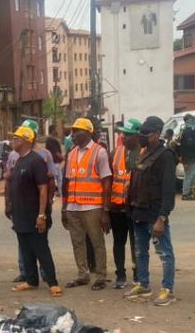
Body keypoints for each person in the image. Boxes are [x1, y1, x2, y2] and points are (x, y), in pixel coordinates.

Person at [126, 116, 177, 306]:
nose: (142, 137)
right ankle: (143, 284)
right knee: (140, 252)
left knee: (164, 253)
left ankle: (167, 289)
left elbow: (168, 190)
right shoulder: (144, 153)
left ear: (156, 134)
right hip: (138, 211)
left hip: (155, 214)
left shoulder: (166, 156)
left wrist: (162, 218)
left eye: (145, 134)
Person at [6, 125, 60, 296]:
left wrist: (42, 214)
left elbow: (43, 189)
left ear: (24, 141)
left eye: (15, 138)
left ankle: (52, 282)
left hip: (33, 213)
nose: (12, 141)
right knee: (26, 248)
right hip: (20, 215)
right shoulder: (19, 160)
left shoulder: (36, 161)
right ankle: (31, 280)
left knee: (41, 248)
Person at [61, 117, 111, 290]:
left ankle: (100, 276)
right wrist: (64, 207)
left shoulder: (100, 152)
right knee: (77, 242)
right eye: (73, 131)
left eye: (77, 131)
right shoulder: (72, 153)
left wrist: (105, 210)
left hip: (92, 206)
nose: (73, 134)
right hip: (73, 206)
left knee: (97, 242)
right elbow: (68, 182)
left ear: (88, 132)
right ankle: (82, 275)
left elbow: (106, 181)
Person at [109, 118, 141, 289]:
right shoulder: (116, 152)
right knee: (118, 242)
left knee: (136, 243)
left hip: (135, 207)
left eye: (128, 135)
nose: (125, 138)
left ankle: (138, 274)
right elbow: (109, 179)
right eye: (124, 134)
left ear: (137, 136)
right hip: (117, 207)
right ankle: (120, 274)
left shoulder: (144, 154)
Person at [176, 113, 195, 200]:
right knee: (188, 176)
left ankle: (190, 192)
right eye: (192, 120)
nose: (194, 122)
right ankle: (185, 193)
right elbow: (189, 145)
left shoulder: (185, 131)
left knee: (192, 175)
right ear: (189, 121)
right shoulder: (187, 132)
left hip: (190, 157)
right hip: (189, 158)